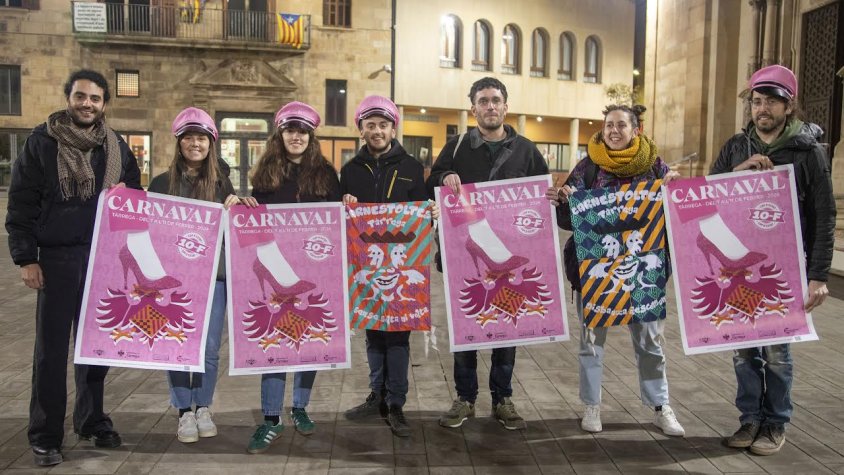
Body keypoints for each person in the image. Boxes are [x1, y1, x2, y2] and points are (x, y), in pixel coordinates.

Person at [6, 69, 141, 466]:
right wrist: (25, 257)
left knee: (97, 347)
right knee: (50, 352)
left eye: (95, 99)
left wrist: (129, 193)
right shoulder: (42, 142)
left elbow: (132, 194)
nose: (87, 104)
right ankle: (45, 434)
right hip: (57, 258)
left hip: (102, 258)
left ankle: (91, 419)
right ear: (69, 98)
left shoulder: (115, 146)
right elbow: (21, 204)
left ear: (104, 104)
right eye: (81, 96)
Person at [710, 65, 834, 456]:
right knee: (744, 349)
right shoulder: (735, 146)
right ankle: (749, 419)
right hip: (737, 268)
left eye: (771, 102)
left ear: (788, 106)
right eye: (757, 102)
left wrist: (817, 276)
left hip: (783, 268)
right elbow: (707, 197)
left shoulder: (807, 152)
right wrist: (738, 171)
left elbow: (824, 214)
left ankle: (775, 423)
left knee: (777, 354)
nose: (762, 109)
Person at [545, 104, 686, 438]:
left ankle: (660, 406)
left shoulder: (654, 166)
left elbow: (672, 214)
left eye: (621, 125)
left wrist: (676, 191)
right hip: (594, 272)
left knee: (651, 343)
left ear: (635, 130)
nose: (613, 131)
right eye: (609, 125)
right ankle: (591, 405)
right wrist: (563, 201)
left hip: (644, 273)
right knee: (591, 343)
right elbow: (569, 222)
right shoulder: (588, 168)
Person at [426, 77, 548, 431]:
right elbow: (431, 181)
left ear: (506, 106)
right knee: (467, 328)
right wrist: (446, 174)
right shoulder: (458, 146)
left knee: (507, 330)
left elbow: (540, 197)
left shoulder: (526, 149)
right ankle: (464, 399)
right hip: (466, 256)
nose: (490, 106)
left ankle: (502, 398)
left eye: (496, 100)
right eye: (483, 101)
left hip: (509, 255)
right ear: (473, 109)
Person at [244, 101, 341, 453]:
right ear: (280, 134)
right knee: (274, 338)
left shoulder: (327, 174)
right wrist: (247, 206)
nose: (296, 136)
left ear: (310, 136)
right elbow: (256, 224)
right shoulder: (265, 173)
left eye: (302, 131)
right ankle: (271, 417)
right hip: (277, 267)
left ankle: (299, 406)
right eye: (290, 130)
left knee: (308, 337)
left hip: (314, 268)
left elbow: (336, 221)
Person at [147, 107, 244, 444]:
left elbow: (233, 227)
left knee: (209, 348)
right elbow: (149, 230)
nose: (195, 143)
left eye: (201, 137)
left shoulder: (221, 182)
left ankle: (203, 405)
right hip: (173, 280)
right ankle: (183, 411)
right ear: (179, 142)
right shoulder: (161, 183)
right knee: (176, 343)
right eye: (188, 137)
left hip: (214, 277)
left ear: (210, 143)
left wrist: (238, 208)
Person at [341, 95, 433, 438]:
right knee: (372, 333)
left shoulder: (410, 167)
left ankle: (396, 402)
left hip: (400, 267)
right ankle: (376, 395)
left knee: (397, 337)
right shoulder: (350, 170)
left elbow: (421, 211)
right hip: (365, 270)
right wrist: (345, 203)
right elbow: (343, 218)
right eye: (370, 126)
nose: (377, 131)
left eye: (383, 125)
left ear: (393, 128)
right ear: (361, 130)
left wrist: (431, 213)